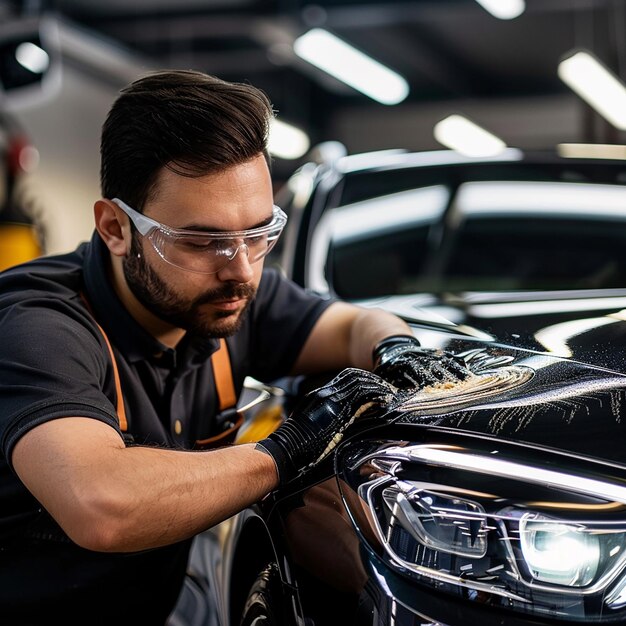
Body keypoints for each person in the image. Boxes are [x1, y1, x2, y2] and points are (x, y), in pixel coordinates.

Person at [0, 69, 469, 625]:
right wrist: (287, 449)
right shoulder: (36, 326)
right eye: (202, 241)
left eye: (258, 234)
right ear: (115, 228)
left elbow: (353, 327)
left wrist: (396, 348)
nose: (241, 270)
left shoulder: (226, 296)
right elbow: (103, 506)